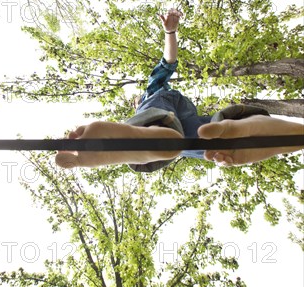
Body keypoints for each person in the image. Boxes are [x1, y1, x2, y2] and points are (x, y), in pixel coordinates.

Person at [55, 9, 303, 170]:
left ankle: (151, 140)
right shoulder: (151, 96)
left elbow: (168, 62)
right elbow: (170, 62)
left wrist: (170, 32)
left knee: (178, 135)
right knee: (208, 136)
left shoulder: (152, 91)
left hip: (167, 116)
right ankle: (238, 127)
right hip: (187, 123)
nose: (136, 104)